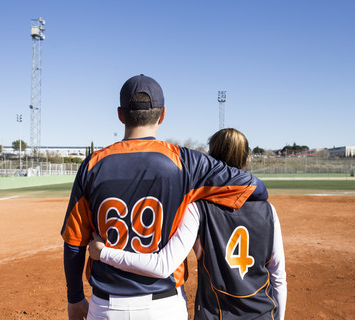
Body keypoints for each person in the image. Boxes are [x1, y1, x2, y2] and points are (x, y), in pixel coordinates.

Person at [60, 75, 269, 320]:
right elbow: (256, 188)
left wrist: (74, 298)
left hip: (106, 307)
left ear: (120, 114)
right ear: (162, 115)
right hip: (164, 306)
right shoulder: (187, 162)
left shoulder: (92, 165)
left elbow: (74, 242)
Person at [88, 128, 287, 319]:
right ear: (247, 159)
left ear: (210, 159)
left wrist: (104, 252)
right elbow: (278, 277)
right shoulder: (269, 210)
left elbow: (163, 264)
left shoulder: (197, 208)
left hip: (215, 314)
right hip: (263, 314)